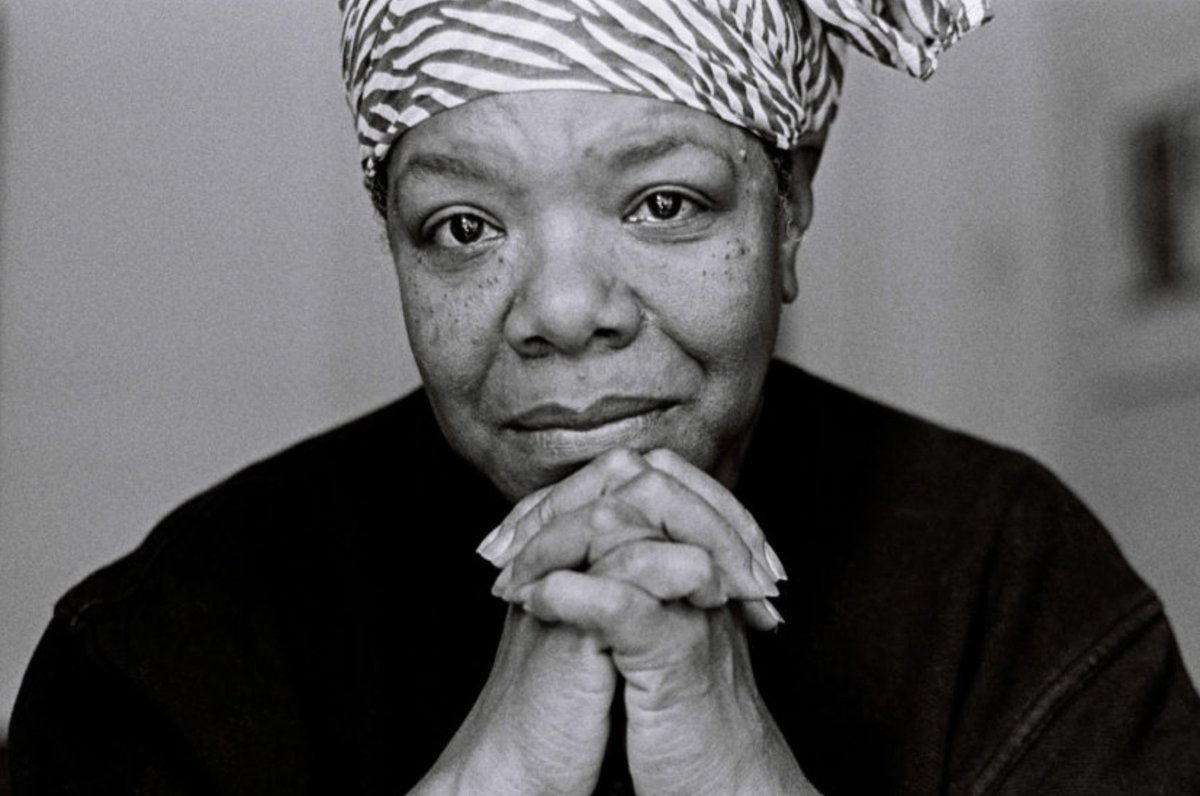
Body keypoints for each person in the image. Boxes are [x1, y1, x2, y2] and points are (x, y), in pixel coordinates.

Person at [10, 0, 1200, 793]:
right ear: (395, 245)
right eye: (463, 227)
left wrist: (736, 760)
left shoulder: (1010, 583)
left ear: (789, 206)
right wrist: (499, 771)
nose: (564, 309)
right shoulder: (164, 651)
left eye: (665, 203)